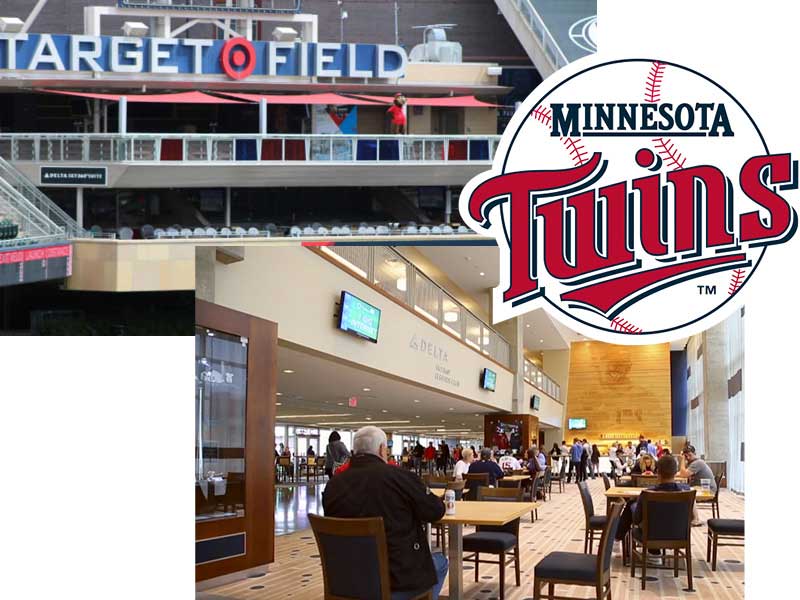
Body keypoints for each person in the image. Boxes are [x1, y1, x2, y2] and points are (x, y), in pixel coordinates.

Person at [323, 426, 448, 599]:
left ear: (355, 450)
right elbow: (435, 511)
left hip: (346, 581)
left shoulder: (333, 486)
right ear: (383, 449)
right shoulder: (401, 478)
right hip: (398, 580)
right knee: (441, 562)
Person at [617, 454, 691, 541]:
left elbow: (637, 519)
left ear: (658, 472)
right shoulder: (686, 490)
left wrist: (633, 506)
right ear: (675, 472)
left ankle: (617, 537)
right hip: (679, 534)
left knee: (631, 505)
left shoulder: (647, 493)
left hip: (650, 535)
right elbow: (692, 518)